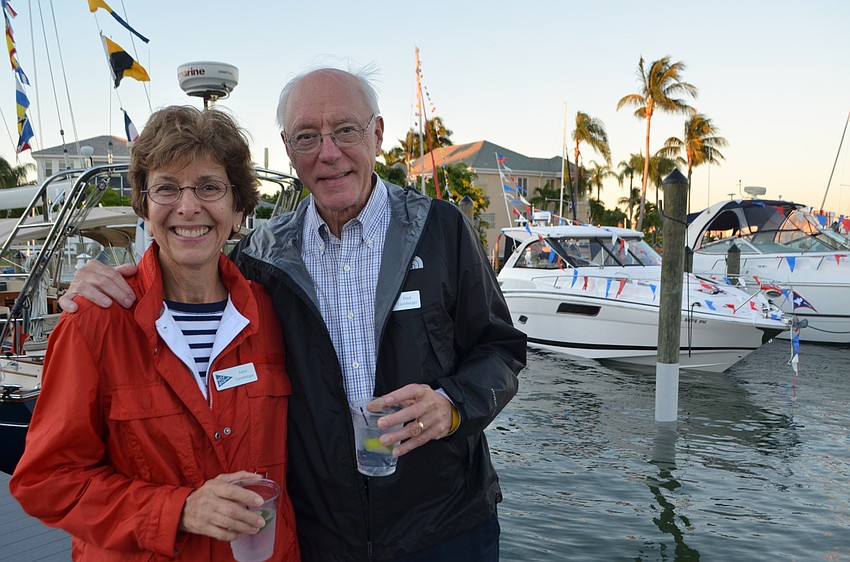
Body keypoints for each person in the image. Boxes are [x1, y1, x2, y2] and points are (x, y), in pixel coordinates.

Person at [57, 67, 526, 561]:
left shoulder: (442, 230)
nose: (328, 152)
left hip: (446, 527)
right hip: (322, 535)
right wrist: (106, 281)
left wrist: (452, 404)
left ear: (378, 134)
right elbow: (186, 273)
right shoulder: (262, 259)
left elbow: (501, 350)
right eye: (307, 136)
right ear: (287, 147)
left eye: (346, 129)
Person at [10, 106, 300, 561]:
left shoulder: (275, 314)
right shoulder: (95, 322)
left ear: (238, 207)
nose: (188, 206)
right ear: (144, 206)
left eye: (209, 187)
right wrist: (178, 510)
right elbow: (46, 480)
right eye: (166, 188)